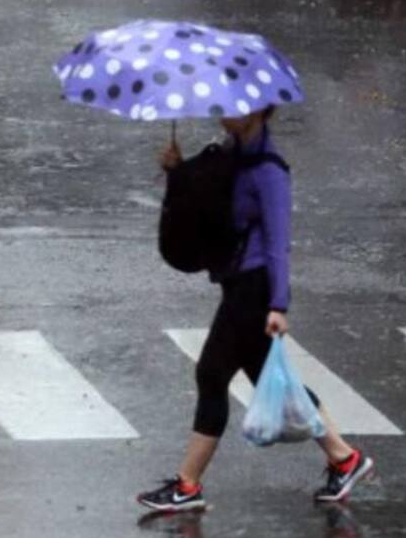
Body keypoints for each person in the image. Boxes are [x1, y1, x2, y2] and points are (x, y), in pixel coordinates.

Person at [137, 107, 373, 513]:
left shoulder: (269, 171)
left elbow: (279, 244)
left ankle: (188, 485)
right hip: (235, 283)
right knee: (270, 377)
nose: (225, 112)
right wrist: (175, 170)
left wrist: (279, 304)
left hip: (255, 288)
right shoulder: (231, 156)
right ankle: (344, 458)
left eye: (236, 106)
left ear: (261, 111)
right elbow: (205, 203)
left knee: (211, 373)